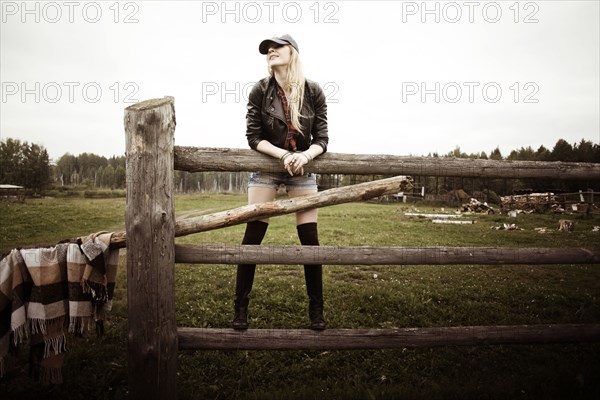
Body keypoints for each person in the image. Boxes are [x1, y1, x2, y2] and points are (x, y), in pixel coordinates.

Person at [232, 34, 329, 331]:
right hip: (268, 166)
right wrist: (284, 155)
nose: (270, 51)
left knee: (310, 240)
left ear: (293, 53)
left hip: (302, 167)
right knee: (254, 236)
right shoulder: (260, 90)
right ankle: (240, 308)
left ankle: (316, 310)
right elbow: (253, 137)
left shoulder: (313, 91)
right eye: (267, 50)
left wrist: (305, 157)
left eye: (277, 47)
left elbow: (322, 139)